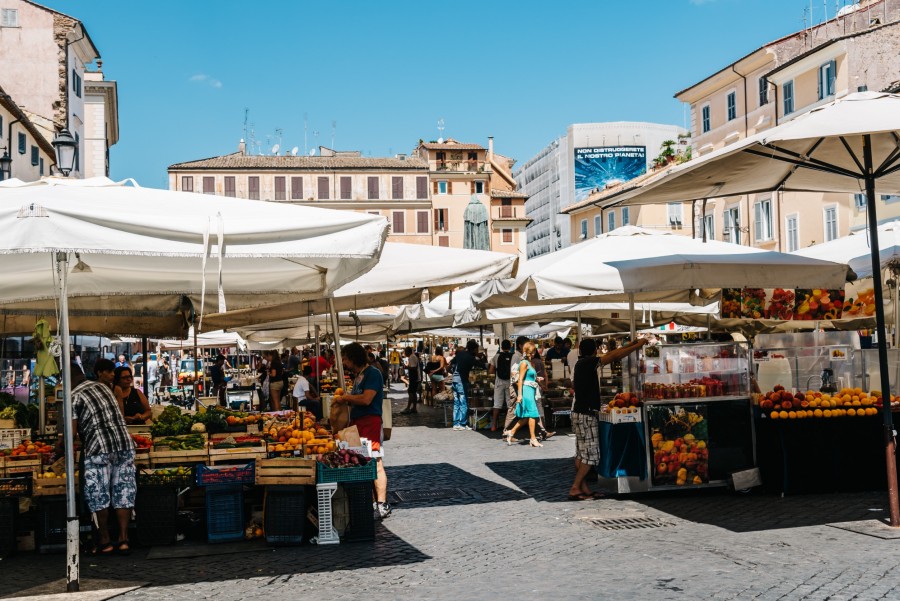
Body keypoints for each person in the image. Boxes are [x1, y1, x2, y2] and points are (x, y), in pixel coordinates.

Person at [568, 336, 648, 501]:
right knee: (591, 455)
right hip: (587, 414)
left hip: (579, 412)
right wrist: (637, 345)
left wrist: (632, 344)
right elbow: (614, 356)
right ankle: (575, 487)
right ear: (595, 351)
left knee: (581, 454)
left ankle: (584, 488)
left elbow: (613, 353)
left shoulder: (581, 363)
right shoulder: (588, 363)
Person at [71, 358, 136, 555]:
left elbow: (71, 434)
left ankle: (105, 541)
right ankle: (124, 539)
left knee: (98, 495)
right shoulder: (104, 388)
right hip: (124, 444)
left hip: (98, 448)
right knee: (123, 491)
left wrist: (60, 448)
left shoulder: (73, 396)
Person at [334, 342, 390, 520]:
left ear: (353, 357)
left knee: (375, 461)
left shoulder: (372, 373)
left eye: (345, 359)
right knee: (363, 461)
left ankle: (382, 504)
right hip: (358, 423)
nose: (343, 363)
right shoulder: (360, 375)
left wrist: (346, 398)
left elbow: (366, 399)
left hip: (370, 422)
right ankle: (371, 501)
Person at [506, 341, 544, 447]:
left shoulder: (530, 363)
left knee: (527, 415)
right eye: (531, 352)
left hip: (531, 390)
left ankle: (511, 432)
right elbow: (521, 380)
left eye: (533, 352)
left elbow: (529, 377)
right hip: (526, 390)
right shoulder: (524, 363)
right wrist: (520, 395)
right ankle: (533, 439)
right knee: (533, 413)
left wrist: (537, 379)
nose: (532, 354)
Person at [449, 340, 478, 431]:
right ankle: (462, 424)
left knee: (456, 402)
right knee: (463, 402)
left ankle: (456, 423)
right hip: (461, 381)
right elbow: (480, 364)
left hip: (454, 380)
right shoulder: (470, 357)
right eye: (476, 349)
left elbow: (452, 363)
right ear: (474, 349)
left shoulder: (460, 354)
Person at [503, 336, 529, 435]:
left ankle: (541, 431)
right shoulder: (516, 356)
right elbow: (514, 374)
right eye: (526, 345)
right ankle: (506, 432)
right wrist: (519, 387)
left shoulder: (521, 356)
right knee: (513, 409)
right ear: (520, 345)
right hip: (515, 387)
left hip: (520, 386)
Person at [488, 340, 513, 432]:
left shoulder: (496, 356)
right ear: (510, 347)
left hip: (499, 383)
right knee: (509, 405)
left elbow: (490, 371)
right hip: (510, 382)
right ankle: (508, 426)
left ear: (501, 347)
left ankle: (493, 425)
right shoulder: (513, 356)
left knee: (497, 404)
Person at [400, 347, 420, 415]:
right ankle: (414, 408)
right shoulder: (412, 357)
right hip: (414, 377)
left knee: (411, 392)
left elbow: (414, 368)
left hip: (414, 378)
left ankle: (408, 408)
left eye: (405, 352)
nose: (404, 353)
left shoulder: (412, 357)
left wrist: (406, 367)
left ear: (408, 352)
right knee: (413, 393)